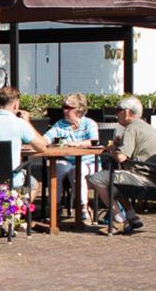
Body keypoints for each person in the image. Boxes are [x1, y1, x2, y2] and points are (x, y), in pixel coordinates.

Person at [87, 96, 156, 234]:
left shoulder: (131, 128)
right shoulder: (146, 126)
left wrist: (113, 150)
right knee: (112, 182)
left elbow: (121, 158)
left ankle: (119, 221)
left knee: (97, 179)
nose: (116, 114)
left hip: (143, 178)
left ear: (127, 112)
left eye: (118, 110)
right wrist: (118, 145)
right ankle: (131, 216)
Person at [0, 86, 48, 196]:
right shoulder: (19, 123)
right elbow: (42, 146)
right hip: (11, 180)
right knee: (33, 184)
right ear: (16, 104)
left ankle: (7, 210)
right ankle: (16, 210)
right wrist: (28, 122)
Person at [43, 92, 99, 222]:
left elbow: (93, 141)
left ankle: (83, 208)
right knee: (55, 170)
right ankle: (54, 208)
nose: (64, 110)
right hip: (67, 159)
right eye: (63, 107)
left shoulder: (89, 123)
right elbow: (46, 138)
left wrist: (77, 144)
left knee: (77, 172)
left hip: (88, 161)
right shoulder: (60, 124)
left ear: (79, 110)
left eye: (68, 107)